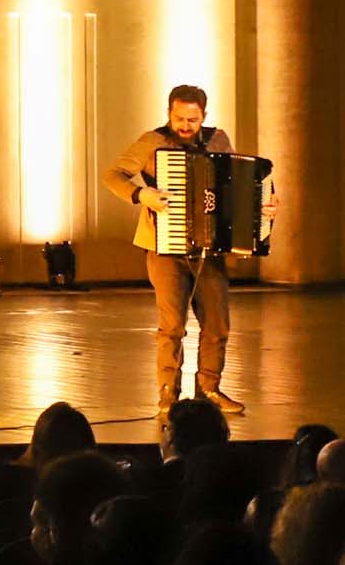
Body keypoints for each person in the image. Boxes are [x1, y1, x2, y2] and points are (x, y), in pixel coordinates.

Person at [105, 83, 255, 423]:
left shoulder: (218, 140)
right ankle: (168, 394)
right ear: (168, 113)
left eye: (192, 119)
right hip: (164, 248)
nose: (186, 126)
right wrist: (141, 195)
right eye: (179, 118)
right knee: (172, 325)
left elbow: (236, 185)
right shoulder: (152, 141)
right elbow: (112, 175)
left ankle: (209, 391)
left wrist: (261, 206)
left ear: (204, 115)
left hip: (208, 249)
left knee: (217, 324)